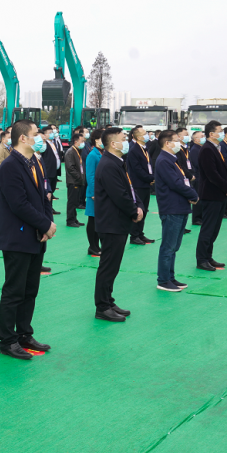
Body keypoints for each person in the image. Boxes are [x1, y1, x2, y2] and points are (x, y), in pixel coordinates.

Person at [0, 119, 55, 357]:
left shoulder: (35, 162)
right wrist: (45, 224)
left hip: (36, 235)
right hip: (18, 237)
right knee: (14, 290)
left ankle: (24, 333)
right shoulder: (10, 166)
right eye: (35, 134)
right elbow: (19, 204)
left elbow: (43, 197)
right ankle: (8, 340)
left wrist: (47, 223)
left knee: (30, 289)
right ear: (23, 138)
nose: (39, 138)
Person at [93, 127, 142, 321]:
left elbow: (129, 189)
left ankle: (108, 300)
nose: (127, 141)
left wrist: (139, 206)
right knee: (108, 266)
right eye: (123, 138)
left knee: (113, 266)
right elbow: (119, 195)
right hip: (111, 223)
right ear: (113, 143)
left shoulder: (117, 162)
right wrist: (133, 211)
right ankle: (102, 307)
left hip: (118, 222)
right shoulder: (108, 165)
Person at [154, 130, 196, 292]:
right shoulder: (164, 160)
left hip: (179, 206)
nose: (180, 142)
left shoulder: (172, 159)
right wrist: (193, 194)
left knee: (174, 246)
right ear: (167, 143)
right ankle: (163, 280)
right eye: (176, 140)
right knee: (168, 245)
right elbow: (176, 183)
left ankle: (170, 277)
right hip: (171, 207)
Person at [196, 121, 227, 271]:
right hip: (211, 194)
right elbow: (212, 174)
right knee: (208, 228)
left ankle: (208, 256)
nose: (222, 133)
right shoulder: (207, 149)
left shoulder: (215, 148)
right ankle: (201, 259)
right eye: (219, 131)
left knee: (215, 228)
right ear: (211, 134)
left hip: (219, 194)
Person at [125, 126, 155, 245]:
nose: (147, 135)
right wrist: (149, 178)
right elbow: (137, 169)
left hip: (146, 183)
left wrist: (151, 178)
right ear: (138, 137)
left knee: (145, 210)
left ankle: (140, 233)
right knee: (138, 210)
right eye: (144, 133)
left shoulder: (145, 148)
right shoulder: (134, 150)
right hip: (138, 184)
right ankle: (134, 235)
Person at [84, 129, 104, 257]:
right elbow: (90, 175)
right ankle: (93, 246)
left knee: (99, 220)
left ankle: (97, 245)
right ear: (96, 140)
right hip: (94, 193)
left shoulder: (102, 153)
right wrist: (93, 192)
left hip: (101, 192)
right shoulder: (93, 155)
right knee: (93, 220)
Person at [64, 130, 86, 228]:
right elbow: (70, 168)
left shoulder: (77, 151)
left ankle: (74, 219)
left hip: (78, 180)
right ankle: (70, 220)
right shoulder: (70, 152)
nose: (83, 143)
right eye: (82, 141)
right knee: (72, 202)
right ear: (76, 142)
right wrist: (79, 177)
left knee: (75, 201)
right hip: (73, 181)